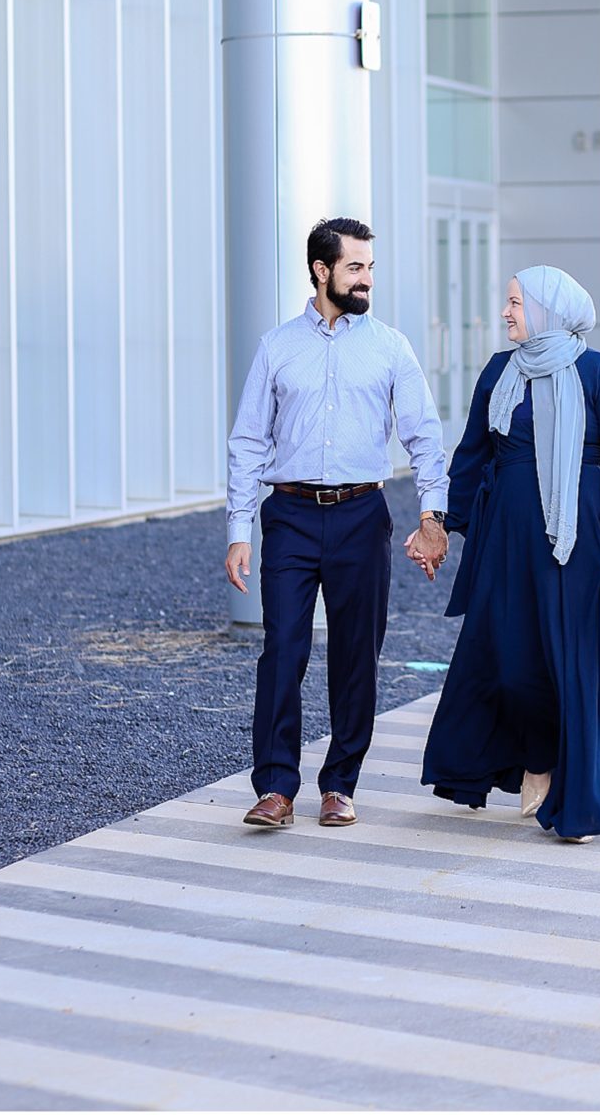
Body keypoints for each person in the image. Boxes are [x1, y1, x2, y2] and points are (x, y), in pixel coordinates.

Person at [419, 265, 600, 840]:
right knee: (511, 657)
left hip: (576, 540)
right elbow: (473, 452)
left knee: (575, 661)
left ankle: (581, 797)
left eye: (515, 303)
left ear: (548, 310)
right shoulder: (501, 371)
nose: (505, 312)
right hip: (504, 535)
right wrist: (441, 526)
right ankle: (538, 758)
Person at [226, 217, 449, 829]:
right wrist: (239, 532)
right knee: (283, 651)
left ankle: (339, 784)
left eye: (370, 268)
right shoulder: (277, 347)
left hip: (361, 515)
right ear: (322, 271)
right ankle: (275, 787)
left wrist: (434, 517)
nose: (366, 279)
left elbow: (425, 439)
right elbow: (247, 443)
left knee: (356, 655)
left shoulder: (390, 347)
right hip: (291, 516)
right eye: (355, 267)